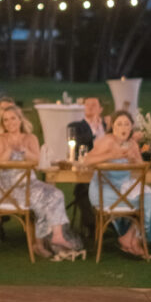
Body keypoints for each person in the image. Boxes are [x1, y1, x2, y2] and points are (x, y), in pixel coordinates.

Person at [0, 105, 80, 259]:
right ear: (3, 124)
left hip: (30, 183)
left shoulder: (30, 138)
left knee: (56, 194)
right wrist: (9, 150)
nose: (10, 122)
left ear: (20, 119)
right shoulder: (0, 139)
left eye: (13, 118)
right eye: (6, 120)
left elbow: (39, 161)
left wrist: (25, 151)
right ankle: (39, 244)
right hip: (8, 187)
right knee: (43, 199)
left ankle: (56, 235)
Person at [84, 109, 151, 257]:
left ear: (131, 127)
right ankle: (133, 241)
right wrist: (111, 155)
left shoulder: (132, 144)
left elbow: (140, 171)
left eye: (126, 124)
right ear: (113, 127)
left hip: (124, 187)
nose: (123, 128)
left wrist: (135, 160)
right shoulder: (107, 141)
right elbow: (87, 161)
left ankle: (130, 238)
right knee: (143, 204)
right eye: (119, 124)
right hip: (104, 191)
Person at [67, 96, 109, 238]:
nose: (90, 107)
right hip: (87, 170)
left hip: (110, 171)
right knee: (82, 190)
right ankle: (93, 226)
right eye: (87, 104)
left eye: (94, 104)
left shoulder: (111, 125)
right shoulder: (76, 126)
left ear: (101, 109)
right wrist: (96, 132)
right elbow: (79, 143)